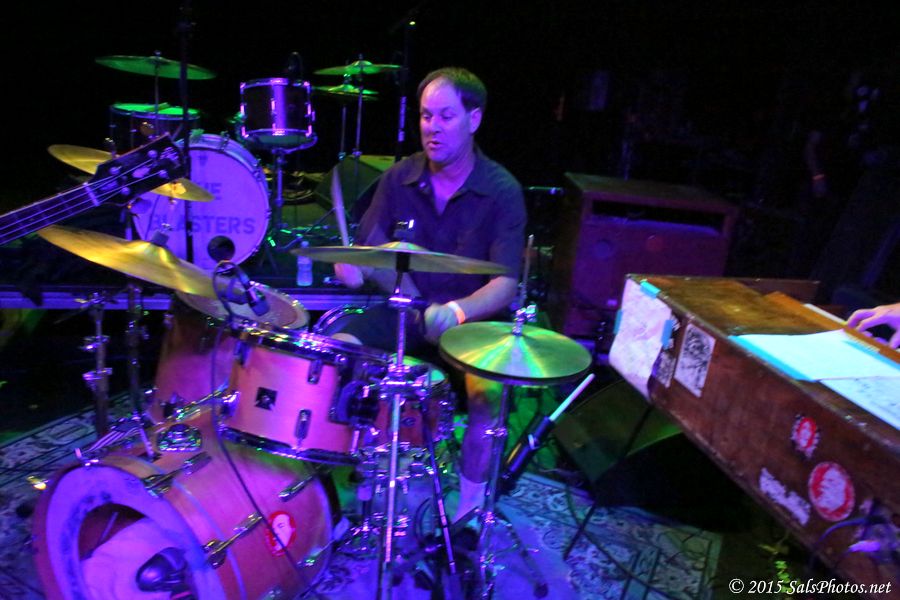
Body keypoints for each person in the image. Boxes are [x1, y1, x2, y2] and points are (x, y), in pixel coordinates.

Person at [332, 67, 527, 523]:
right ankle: (350, 489)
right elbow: (372, 254)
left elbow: (505, 284)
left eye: (445, 116)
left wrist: (455, 312)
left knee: (488, 397)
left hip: (473, 322)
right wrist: (356, 267)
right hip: (409, 310)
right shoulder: (398, 178)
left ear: (474, 119)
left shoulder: (501, 191)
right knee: (339, 355)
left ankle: (469, 512)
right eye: (425, 116)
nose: (432, 128)